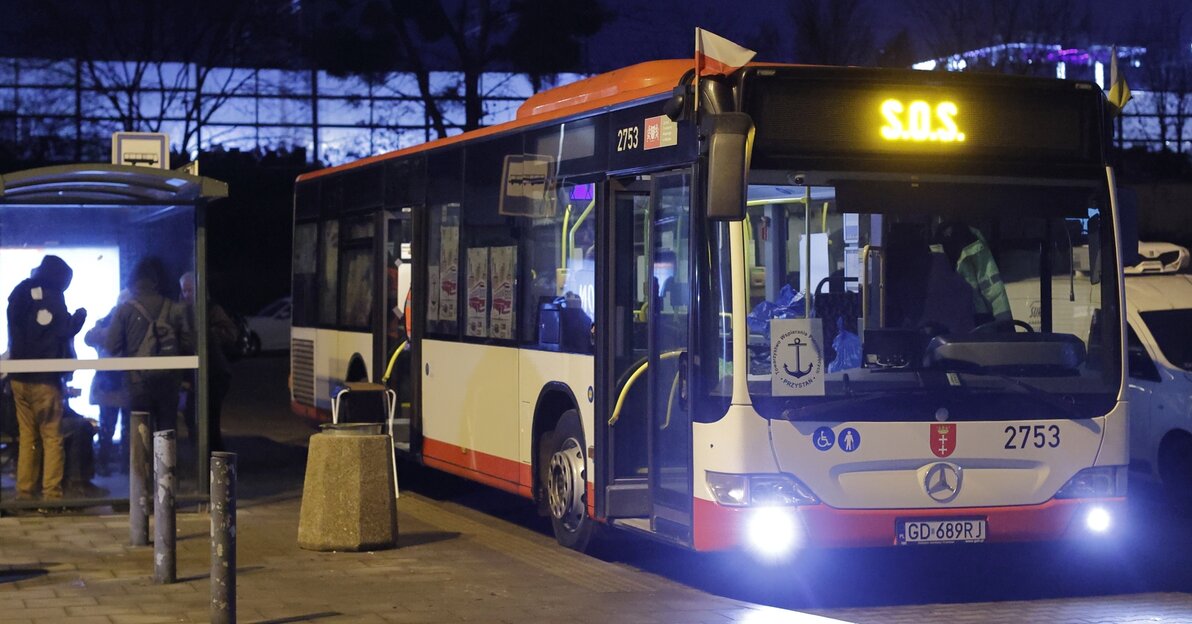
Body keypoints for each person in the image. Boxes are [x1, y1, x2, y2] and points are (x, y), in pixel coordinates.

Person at [6, 255, 87, 502]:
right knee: (52, 437)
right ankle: (52, 494)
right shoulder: (53, 295)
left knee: (28, 436)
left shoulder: (20, 291)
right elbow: (61, 330)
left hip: (19, 377)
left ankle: (25, 492)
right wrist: (79, 318)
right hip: (45, 379)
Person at [104, 257, 193, 433]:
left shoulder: (124, 310)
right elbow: (188, 344)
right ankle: (166, 461)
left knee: (139, 431)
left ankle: (141, 461)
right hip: (168, 381)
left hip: (137, 383)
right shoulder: (175, 308)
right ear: (156, 281)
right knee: (167, 429)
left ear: (132, 281)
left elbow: (111, 345)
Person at [178, 271, 237, 452]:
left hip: (214, 374)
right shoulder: (181, 311)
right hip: (196, 376)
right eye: (184, 291)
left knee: (209, 422)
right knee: (192, 416)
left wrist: (206, 334)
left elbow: (231, 334)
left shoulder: (211, 309)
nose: (188, 295)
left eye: (190, 290)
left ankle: (214, 462)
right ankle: (204, 456)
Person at [84, 290, 131, 473]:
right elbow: (90, 338)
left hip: (112, 382)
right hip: (113, 383)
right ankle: (111, 464)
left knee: (114, 426)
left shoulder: (106, 322)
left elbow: (91, 338)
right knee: (112, 427)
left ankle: (116, 464)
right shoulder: (109, 322)